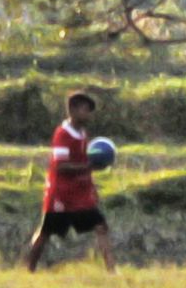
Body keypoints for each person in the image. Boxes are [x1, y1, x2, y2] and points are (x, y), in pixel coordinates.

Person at [20, 90, 116, 272]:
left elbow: (83, 161)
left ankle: (112, 270)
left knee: (101, 226)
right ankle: (29, 269)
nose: (88, 114)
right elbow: (61, 167)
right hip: (61, 194)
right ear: (72, 110)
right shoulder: (63, 134)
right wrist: (89, 167)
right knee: (46, 232)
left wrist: (92, 186)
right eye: (84, 110)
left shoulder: (82, 134)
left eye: (89, 110)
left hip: (80, 194)